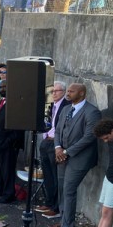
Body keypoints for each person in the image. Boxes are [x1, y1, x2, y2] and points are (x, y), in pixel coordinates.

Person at [52, 83, 102, 227]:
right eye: (67, 91)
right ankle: (64, 219)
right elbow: (58, 129)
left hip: (80, 158)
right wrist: (58, 147)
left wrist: (67, 152)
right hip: (62, 155)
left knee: (69, 189)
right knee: (61, 187)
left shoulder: (92, 112)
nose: (68, 93)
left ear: (81, 93)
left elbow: (89, 136)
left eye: (71, 91)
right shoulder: (66, 109)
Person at [35, 82, 71, 218]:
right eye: (52, 91)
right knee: (47, 175)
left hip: (56, 145)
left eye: (57, 91)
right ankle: (49, 202)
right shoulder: (50, 105)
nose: (54, 93)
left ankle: (55, 207)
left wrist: (59, 145)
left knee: (56, 176)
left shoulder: (66, 106)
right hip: (46, 141)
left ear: (63, 92)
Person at [0, 79, 24, 204]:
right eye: (1, 87)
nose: (2, 89)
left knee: (7, 170)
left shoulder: (15, 104)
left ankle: (9, 194)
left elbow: (18, 128)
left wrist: (7, 142)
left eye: (5, 87)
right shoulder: (1, 102)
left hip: (7, 145)